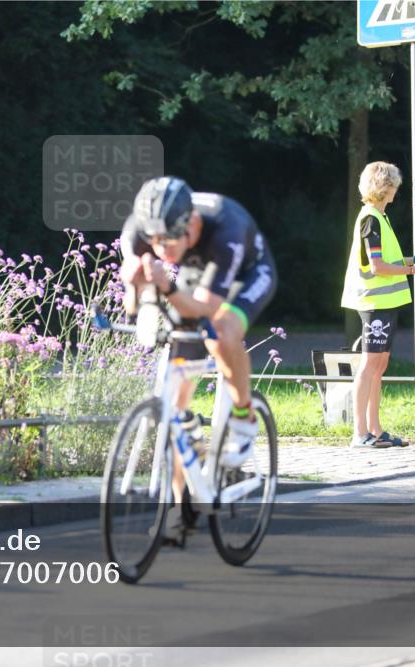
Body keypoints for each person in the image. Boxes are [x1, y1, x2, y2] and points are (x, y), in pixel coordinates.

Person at [119, 176, 277, 543]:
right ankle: (181, 506)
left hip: (245, 274)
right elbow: (134, 302)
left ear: (191, 225)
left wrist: (167, 286)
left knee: (220, 332)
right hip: (197, 272)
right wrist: (136, 286)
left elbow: (204, 307)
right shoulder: (140, 231)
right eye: (155, 241)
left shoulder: (227, 230)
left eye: (168, 241)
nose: (161, 249)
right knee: (174, 407)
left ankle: (243, 417)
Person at [340, 161, 415, 448]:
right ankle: (360, 433)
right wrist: (414, 270)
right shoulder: (371, 219)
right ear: (384, 187)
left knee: (379, 365)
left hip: (385, 302)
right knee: (369, 365)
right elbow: (377, 267)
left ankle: (375, 430)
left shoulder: (380, 217)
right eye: (394, 186)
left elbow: (387, 261)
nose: (396, 191)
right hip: (374, 302)